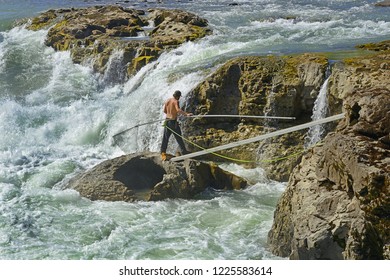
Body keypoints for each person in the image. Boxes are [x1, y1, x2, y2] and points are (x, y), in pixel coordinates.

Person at [160, 90, 192, 161]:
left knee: (165, 138)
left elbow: (164, 111)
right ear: (177, 96)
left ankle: (162, 152)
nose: (179, 98)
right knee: (179, 137)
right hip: (173, 122)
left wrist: (170, 113)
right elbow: (178, 110)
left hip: (167, 121)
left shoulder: (168, 100)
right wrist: (186, 114)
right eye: (179, 97)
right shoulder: (176, 101)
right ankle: (184, 152)